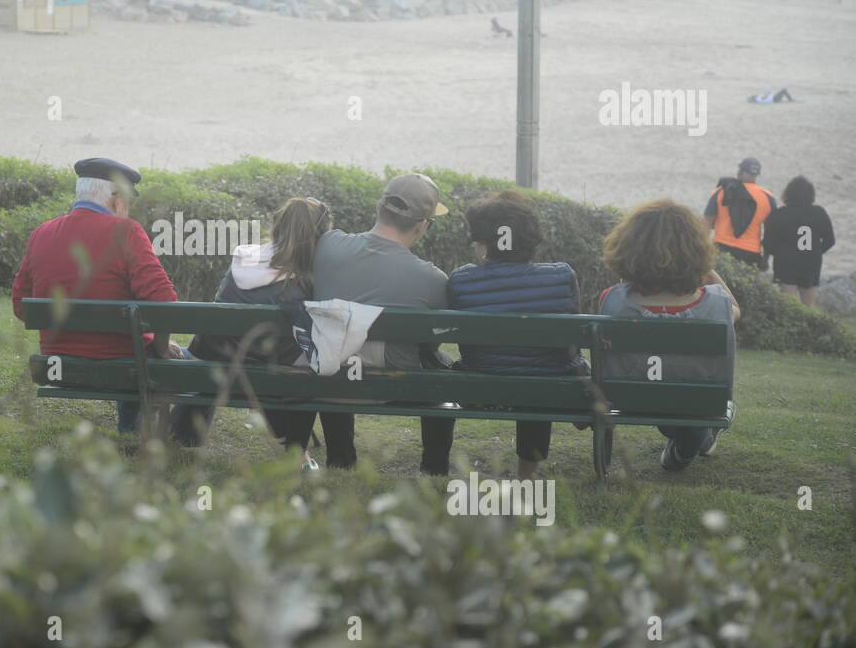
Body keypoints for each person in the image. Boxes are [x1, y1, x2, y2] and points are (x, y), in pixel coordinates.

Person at [11, 158, 180, 434]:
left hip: (59, 366)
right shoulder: (127, 232)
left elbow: (21, 307)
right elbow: (164, 302)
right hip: (124, 368)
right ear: (115, 199)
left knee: (138, 354)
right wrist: (161, 347)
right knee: (180, 359)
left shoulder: (41, 234)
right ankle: (146, 432)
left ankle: (135, 429)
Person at [167, 197, 334, 468]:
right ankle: (295, 454)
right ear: (321, 237)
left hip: (212, 368)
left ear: (277, 226)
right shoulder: (310, 282)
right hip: (267, 383)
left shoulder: (242, 261)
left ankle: (181, 436)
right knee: (308, 368)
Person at [311, 174, 453, 472]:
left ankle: (341, 460)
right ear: (422, 225)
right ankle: (434, 468)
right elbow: (430, 343)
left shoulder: (327, 245)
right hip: (394, 385)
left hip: (330, 379)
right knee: (440, 365)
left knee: (339, 354)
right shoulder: (433, 279)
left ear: (378, 208)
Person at [447, 191, 586, 479]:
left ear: (484, 245)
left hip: (483, 387)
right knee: (540, 374)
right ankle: (527, 473)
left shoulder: (461, 281)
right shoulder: (561, 276)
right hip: (551, 388)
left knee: (530, 373)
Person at [599, 200, 739, 471]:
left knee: (671, 401)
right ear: (695, 253)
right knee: (689, 404)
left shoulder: (612, 301)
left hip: (631, 400)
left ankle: (693, 442)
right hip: (698, 403)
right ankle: (691, 444)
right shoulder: (716, 305)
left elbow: (626, 292)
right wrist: (704, 270)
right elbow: (736, 310)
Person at [763, 176, 835, 308]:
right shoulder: (819, 213)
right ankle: (812, 328)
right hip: (811, 262)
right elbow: (830, 240)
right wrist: (816, 251)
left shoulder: (779, 214)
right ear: (810, 195)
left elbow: (768, 243)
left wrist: (779, 253)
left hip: (786, 263)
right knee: (809, 304)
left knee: (789, 304)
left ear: (788, 193)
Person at [704, 156, 775, 268]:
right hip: (750, 252)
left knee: (718, 284)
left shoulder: (721, 191)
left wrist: (703, 248)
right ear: (756, 175)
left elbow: (707, 223)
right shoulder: (768, 197)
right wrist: (765, 258)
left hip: (721, 247)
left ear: (740, 171)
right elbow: (770, 232)